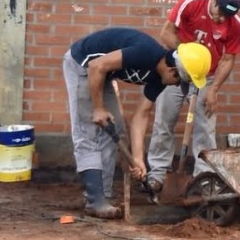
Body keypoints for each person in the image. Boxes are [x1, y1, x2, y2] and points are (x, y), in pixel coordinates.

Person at [62, 27, 211, 219]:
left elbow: (141, 114)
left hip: (102, 74)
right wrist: (98, 108)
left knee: (113, 130)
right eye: (178, 80)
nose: (176, 85)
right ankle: (95, 200)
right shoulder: (145, 52)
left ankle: (102, 195)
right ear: (172, 70)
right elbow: (96, 66)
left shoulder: (159, 79)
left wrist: (139, 158)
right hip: (82, 65)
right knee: (89, 132)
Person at [145, 0, 240, 193]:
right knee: (164, 120)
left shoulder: (235, 24)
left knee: (205, 129)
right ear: (214, 1)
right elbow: (166, 33)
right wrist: (188, 56)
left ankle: (203, 179)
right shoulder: (193, 1)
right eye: (220, 14)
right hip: (176, 68)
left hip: (206, 77)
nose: (221, 20)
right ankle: (157, 174)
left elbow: (228, 59)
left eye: (227, 17)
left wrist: (214, 90)